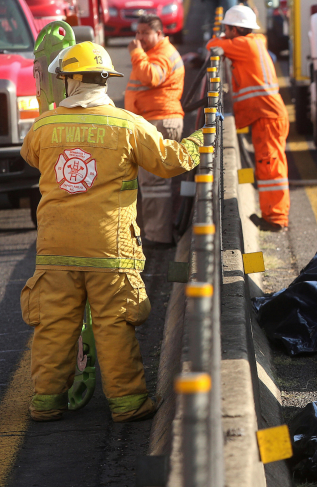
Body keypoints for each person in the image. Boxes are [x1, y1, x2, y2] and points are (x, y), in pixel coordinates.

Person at [20, 42, 204, 423]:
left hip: (55, 248)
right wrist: (200, 140)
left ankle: (47, 401)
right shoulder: (127, 124)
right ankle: (128, 403)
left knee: (53, 326)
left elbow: (31, 156)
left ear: (69, 80)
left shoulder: (44, 127)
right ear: (105, 80)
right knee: (113, 324)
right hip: (109, 248)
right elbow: (171, 161)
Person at [206, 5, 289, 231]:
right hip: (267, 114)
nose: (224, 33)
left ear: (234, 30)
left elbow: (212, 45)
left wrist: (220, 38)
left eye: (226, 29)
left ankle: (276, 219)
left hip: (267, 115)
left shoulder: (244, 45)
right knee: (270, 165)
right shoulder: (253, 42)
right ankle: (274, 216)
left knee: (270, 166)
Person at [125, 14, 185, 247]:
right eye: (137, 33)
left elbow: (152, 77)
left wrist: (136, 53)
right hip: (153, 122)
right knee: (151, 183)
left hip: (160, 122)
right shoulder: (155, 53)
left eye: (145, 33)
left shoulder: (162, 54)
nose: (139, 38)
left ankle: (157, 237)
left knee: (155, 185)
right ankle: (154, 233)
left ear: (159, 34)